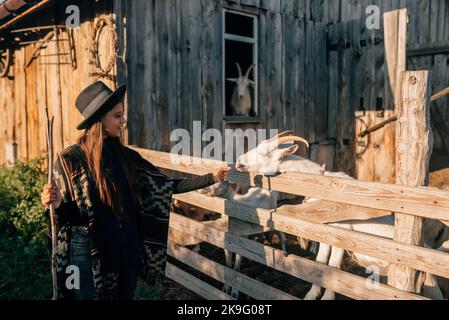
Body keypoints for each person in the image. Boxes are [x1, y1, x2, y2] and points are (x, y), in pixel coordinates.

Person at [41, 81, 229, 300]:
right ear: (99, 119)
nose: (124, 121)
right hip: (91, 254)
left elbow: (165, 186)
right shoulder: (70, 160)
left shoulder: (126, 157)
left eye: (122, 115)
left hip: (127, 252)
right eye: (117, 116)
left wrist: (211, 177)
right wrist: (56, 205)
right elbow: (63, 221)